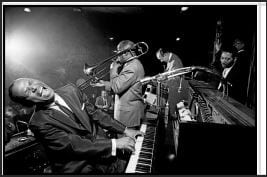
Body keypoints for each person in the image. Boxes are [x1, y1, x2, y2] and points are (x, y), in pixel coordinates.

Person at [8, 78, 144, 173]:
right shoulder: (38, 123)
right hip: (82, 167)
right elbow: (74, 145)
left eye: (31, 82)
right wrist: (115, 144)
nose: (34, 87)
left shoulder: (71, 89)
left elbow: (96, 113)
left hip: (108, 156)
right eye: (28, 91)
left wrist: (125, 130)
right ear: (28, 102)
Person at [88, 40, 145, 129]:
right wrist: (103, 83)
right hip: (127, 114)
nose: (117, 55)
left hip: (128, 116)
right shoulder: (130, 64)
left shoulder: (133, 67)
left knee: (126, 142)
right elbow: (121, 83)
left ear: (125, 53)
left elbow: (117, 88)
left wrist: (113, 69)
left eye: (119, 52)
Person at [156, 48, 190, 118]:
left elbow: (176, 79)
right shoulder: (170, 60)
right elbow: (169, 73)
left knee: (172, 114)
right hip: (172, 88)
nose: (161, 61)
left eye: (161, 58)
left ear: (165, 55)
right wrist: (162, 75)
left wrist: (164, 79)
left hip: (176, 90)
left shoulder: (175, 61)